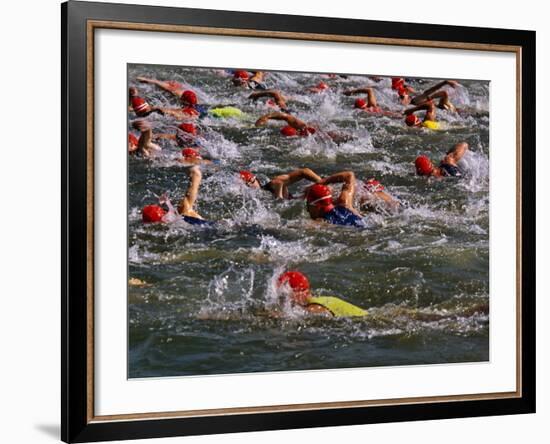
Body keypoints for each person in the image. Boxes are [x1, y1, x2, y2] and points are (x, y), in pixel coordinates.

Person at [276, 271, 368, 317]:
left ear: (297, 292)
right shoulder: (319, 300)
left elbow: (300, 316)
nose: (284, 298)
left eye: (284, 294)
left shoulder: (316, 307)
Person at [141, 166, 211, 226]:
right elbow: (196, 175)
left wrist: (194, 172)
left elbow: (196, 175)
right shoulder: (181, 216)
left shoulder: (184, 212)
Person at [255, 112, 353, 144]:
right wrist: (267, 117)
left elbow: (286, 116)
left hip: (330, 137)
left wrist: (266, 117)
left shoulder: (303, 128)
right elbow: (286, 117)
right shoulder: (304, 132)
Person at [239, 167, 322, 199]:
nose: (250, 186)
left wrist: (323, 183)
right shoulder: (251, 203)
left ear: (256, 179)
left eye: (251, 182)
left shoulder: (272, 185)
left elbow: (304, 172)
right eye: (247, 185)